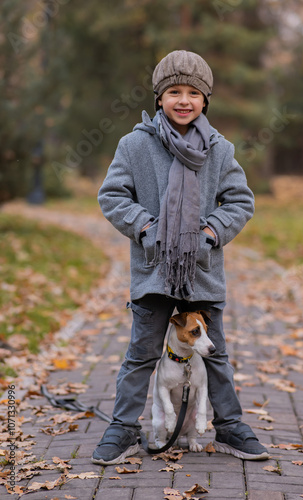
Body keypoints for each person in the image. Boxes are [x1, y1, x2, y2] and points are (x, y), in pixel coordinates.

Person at [91, 50, 269, 465]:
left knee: (216, 354)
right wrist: (148, 229)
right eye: (174, 91)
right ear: (159, 98)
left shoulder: (220, 149)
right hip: (153, 269)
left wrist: (210, 232)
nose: (183, 100)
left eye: (193, 92)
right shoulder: (134, 145)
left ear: (205, 100)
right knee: (141, 353)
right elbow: (112, 195)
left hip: (202, 272)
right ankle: (122, 428)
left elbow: (240, 201)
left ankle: (229, 427)